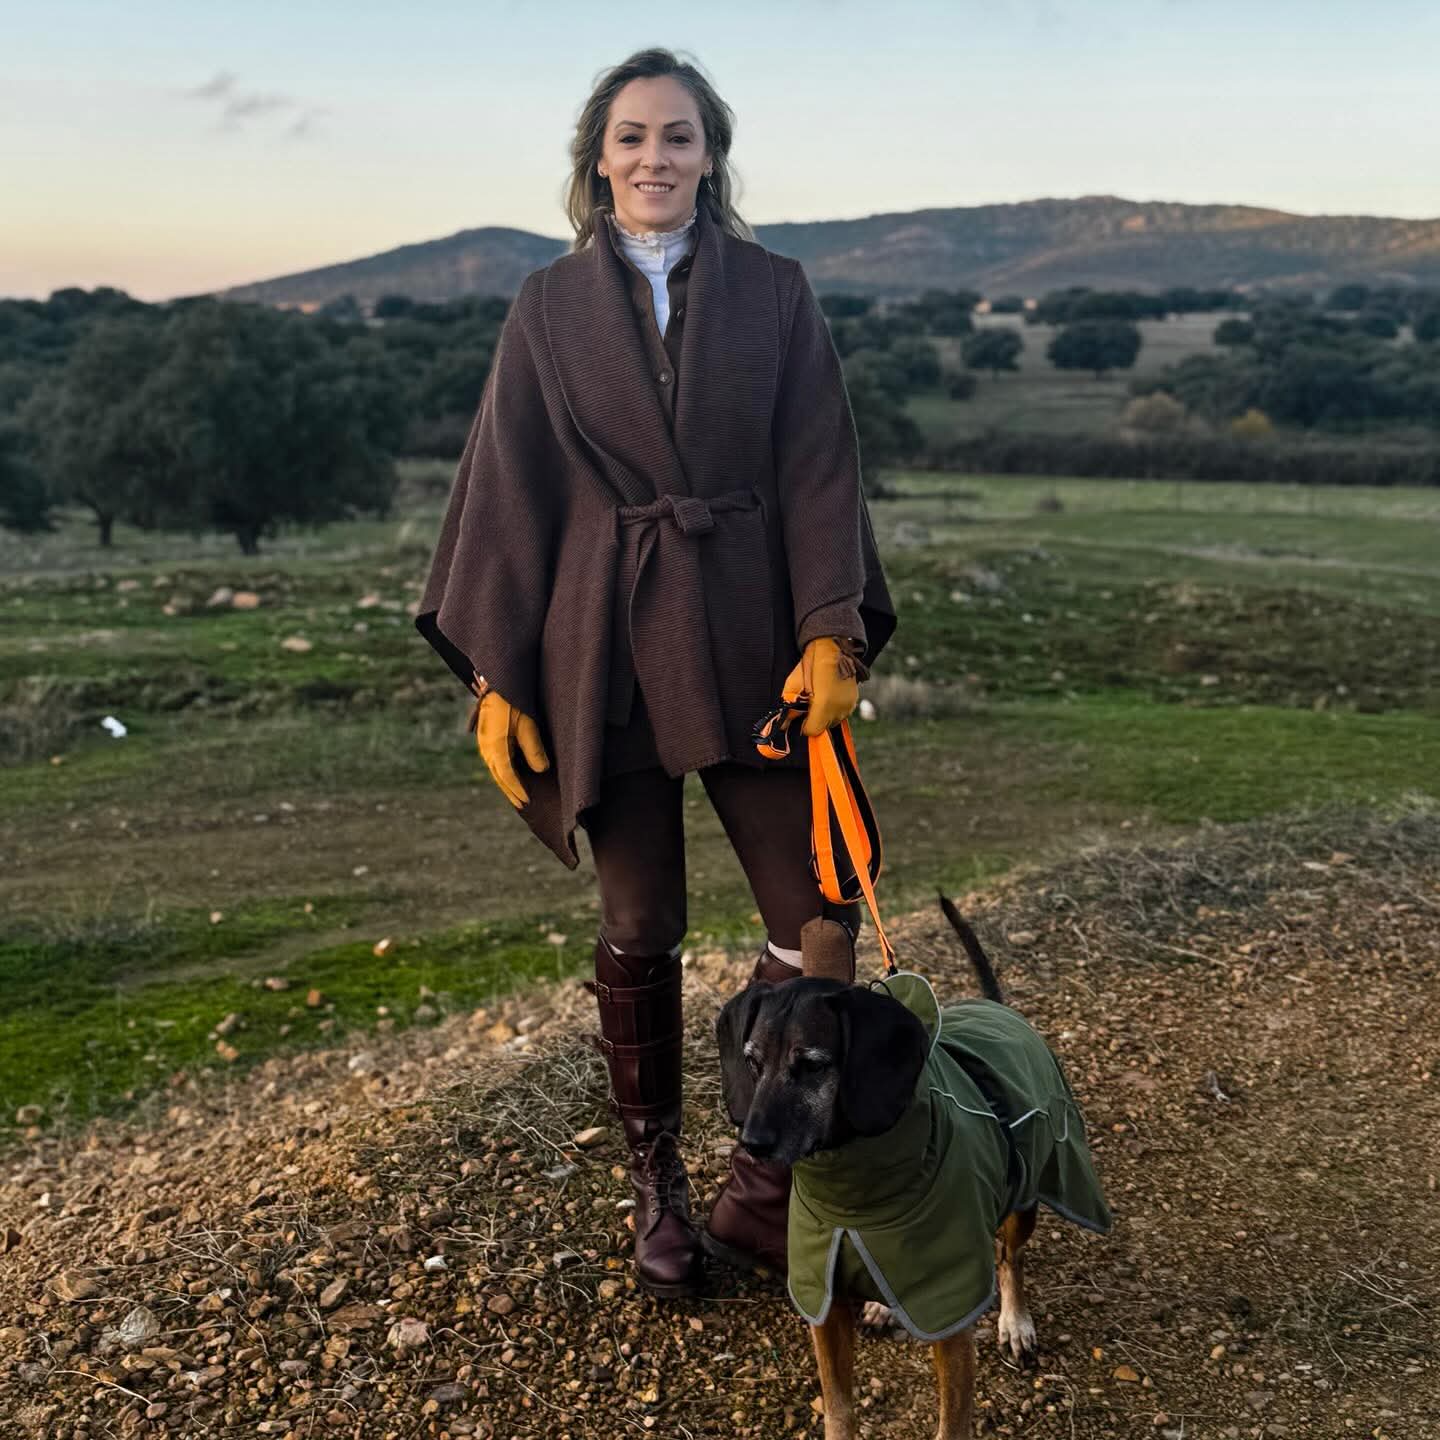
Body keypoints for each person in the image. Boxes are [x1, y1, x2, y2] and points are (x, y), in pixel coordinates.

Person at [415, 47, 895, 1298]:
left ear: (711, 156)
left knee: (817, 916)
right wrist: (497, 677)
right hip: (604, 641)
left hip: (751, 634)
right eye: (631, 137)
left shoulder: (778, 292)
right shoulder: (546, 307)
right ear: (597, 159)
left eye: (678, 136)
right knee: (640, 923)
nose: (654, 157)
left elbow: (818, 466)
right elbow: (510, 487)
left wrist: (831, 629)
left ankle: (763, 1194)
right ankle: (657, 1191)